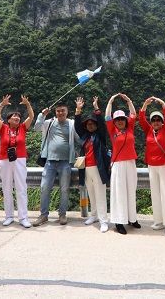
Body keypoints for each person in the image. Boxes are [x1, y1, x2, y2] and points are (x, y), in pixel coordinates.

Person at [33, 103, 79, 226]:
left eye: (62, 110)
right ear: (55, 112)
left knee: (64, 189)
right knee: (44, 188)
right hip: (50, 161)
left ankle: (62, 214)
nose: (60, 113)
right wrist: (42, 115)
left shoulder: (72, 124)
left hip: (66, 162)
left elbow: (79, 139)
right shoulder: (49, 123)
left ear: (67, 112)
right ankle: (43, 215)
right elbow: (37, 127)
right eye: (58, 111)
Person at [0, 94, 34, 228]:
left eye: (18, 116)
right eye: (14, 116)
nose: (17, 117)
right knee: (6, 187)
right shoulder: (3, 128)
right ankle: (9, 216)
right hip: (5, 160)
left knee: (21, 187)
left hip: (20, 159)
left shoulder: (23, 128)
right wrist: (1, 105)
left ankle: (23, 217)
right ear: (8, 120)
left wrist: (27, 104)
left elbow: (31, 117)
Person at [138, 96, 165, 236]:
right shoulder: (149, 130)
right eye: (153, 120)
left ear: (162, 122)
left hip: (164, 165)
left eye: (158, 120)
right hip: (151, 166)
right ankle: (158, 221)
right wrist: (144, 106)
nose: (155, 122)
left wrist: (163, 103)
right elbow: (141, 120)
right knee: (155, 194)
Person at [74, 95, 111, 233]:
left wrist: (96, 108)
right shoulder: (85, 136)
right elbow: (78, 127)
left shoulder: (100, 136)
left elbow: (102, 124)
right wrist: (78, 110)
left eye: (92, 123)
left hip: (98, 168)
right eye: (88, 124)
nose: (90, 125)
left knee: (100, 194)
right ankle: (94, 215)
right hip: (86, 168)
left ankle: (103, 220)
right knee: (91, 193)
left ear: (95, 125)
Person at [106, 93, 141, 235]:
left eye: (122, 119)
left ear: (126, 121)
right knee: (119, 193)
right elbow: (107, 116)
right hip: (118, 164)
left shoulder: (130, 128)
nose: (120, 121)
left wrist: (128, 100)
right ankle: (119, 221)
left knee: (131, 191)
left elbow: (133, 113)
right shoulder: (112, 130)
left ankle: (132, 218)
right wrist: (111, 101)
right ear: (114, 122)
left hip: (131, 163)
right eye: (118, 119)